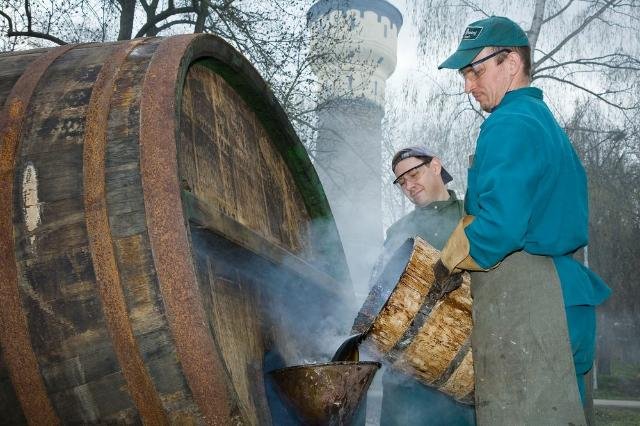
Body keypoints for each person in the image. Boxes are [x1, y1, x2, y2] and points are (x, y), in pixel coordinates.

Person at [434, 15, 611, 424]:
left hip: (533, 307)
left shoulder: (508, 122)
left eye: (476, 71)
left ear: (511, 63)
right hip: (565, 301)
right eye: (465, 74)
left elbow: (500, 226)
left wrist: (448, 261)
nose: (468, 85)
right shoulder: (542, 122)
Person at [379, 146, 475, 426]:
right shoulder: (397, 232)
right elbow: (382, 296)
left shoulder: (470, 215)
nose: (409, 185)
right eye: (402, 182)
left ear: (435, 166)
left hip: (461, 362)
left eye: (414, 174)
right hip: (405, 374)